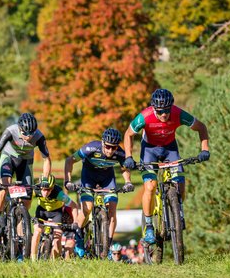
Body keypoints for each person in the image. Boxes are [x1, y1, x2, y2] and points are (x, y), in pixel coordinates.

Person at [122, 88, 210, 244]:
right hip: (149, 149)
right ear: (154, 108)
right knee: (150, 186)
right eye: (161, 111)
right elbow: (128, 134)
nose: (164, 114)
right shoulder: (145, 116)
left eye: (167, 110)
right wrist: (129, 156)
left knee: (180, 182)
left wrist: (204, 149)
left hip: (170, 148)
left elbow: (201, 127)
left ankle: (178, 213)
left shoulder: (178, 114)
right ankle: (149, 225)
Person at [64, 128, 134, 256]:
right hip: (88, 178)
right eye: (107, 146)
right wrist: (67, 181)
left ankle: (108, 244)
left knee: (112, 210)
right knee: (87, 208)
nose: (110, 150)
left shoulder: (119, 153)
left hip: (107, 180)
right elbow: (69, 160)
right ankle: (79, 239)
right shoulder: (91, 148)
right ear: (102, 143)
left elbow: (124, 168)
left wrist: (128, 182)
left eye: (113, 147)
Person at [0, 113, 51, 238]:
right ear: (19, 129)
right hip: (8, 159)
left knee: (27, 199)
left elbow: (46, 159)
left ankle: (21, 239)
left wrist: (45, 179)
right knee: (4, 186)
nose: (28, 136)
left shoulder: (39, 136)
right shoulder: (10, 131)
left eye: (31, 133)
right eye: (25, 133)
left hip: (25, 163)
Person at [31, 174, 80, 260]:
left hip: (56, 213)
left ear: (52, 188)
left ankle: (56, 260)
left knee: (57, 237)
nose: (45, 192)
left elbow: (74, 205)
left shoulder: (59, 194)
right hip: (42, 211)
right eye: (43, 190)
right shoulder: (36, 190)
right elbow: (24, 199)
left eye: (48, 190)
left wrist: (75, 222)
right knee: (37, 232)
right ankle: (33, 259)